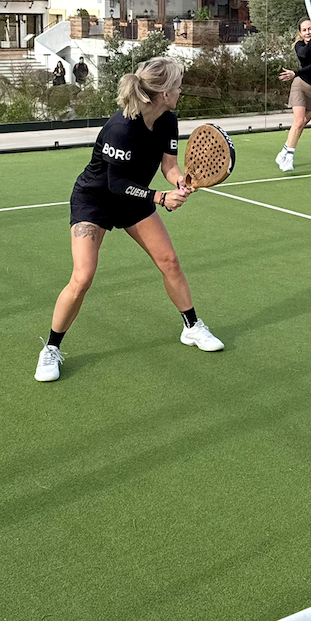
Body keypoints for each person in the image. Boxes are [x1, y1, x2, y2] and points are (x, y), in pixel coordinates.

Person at [35, 55, 224, 381]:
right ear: (164, 93)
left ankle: (192, 327)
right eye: (178, 85)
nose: (181, 90)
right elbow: (116, 184)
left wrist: (179, 181)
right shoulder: (120, 129)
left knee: (170, 261)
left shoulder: (168, 120)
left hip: (133, 199)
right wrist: (161, 198)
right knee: (82, 277)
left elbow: (168, 165)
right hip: (94, 202)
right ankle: (51, 348)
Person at [276, 18, 311, 172]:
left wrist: (296, 72)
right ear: (300, 33)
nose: (308, 32)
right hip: (301, 86)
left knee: (302, 124)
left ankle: (284, 151)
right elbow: (306, 56)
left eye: (310, 29)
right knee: (299, 122)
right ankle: (289, 159)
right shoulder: (299, 46)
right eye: (305, 30)